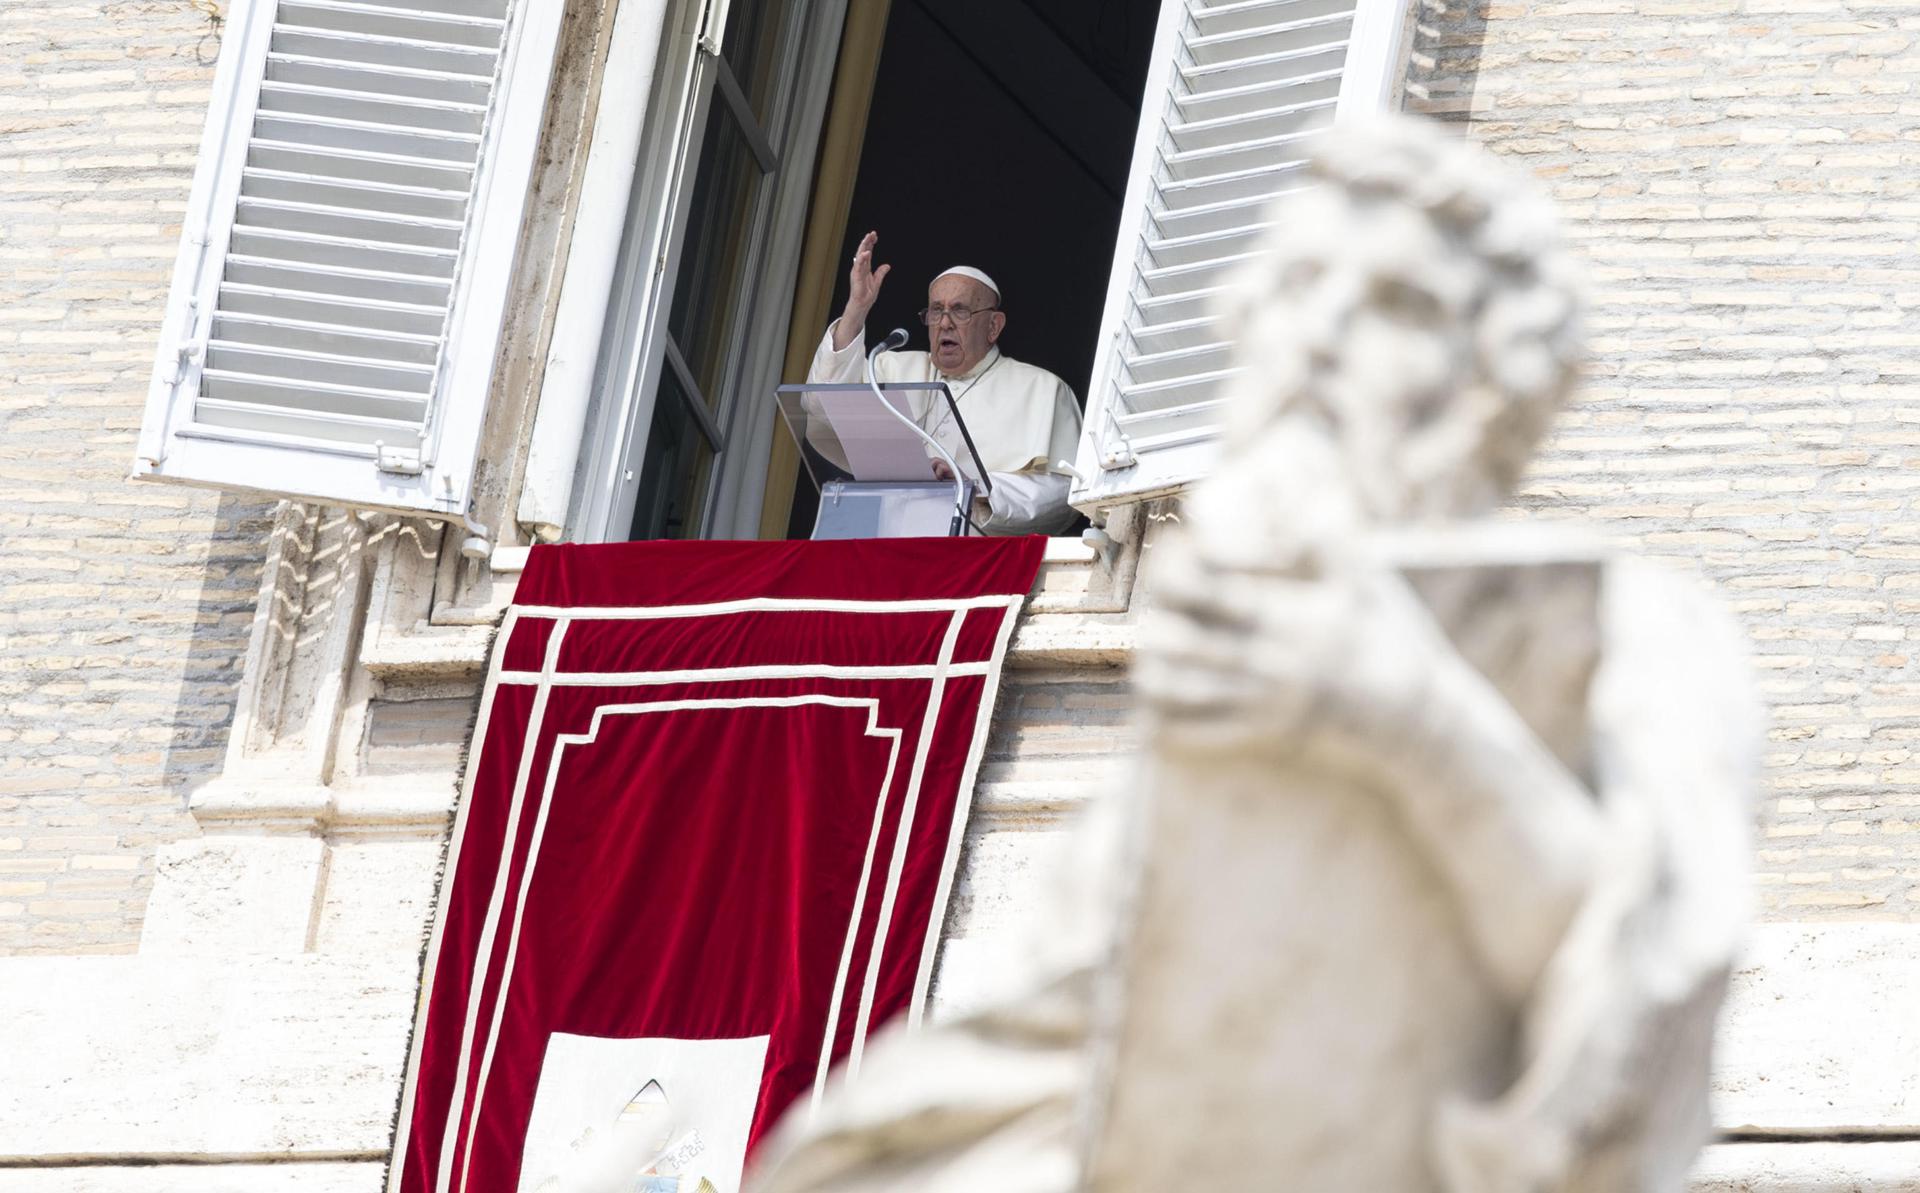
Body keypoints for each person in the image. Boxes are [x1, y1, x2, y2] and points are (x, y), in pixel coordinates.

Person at [806, 232, 1083, 535]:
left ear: (994, 326)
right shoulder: (887, 368)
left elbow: (1065, 493)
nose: (945, 322)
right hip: (885, 552)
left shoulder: (1042, 390)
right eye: (936, 310)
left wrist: (973, 487)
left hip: (976, 567)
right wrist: (856, 308)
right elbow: (822, 403)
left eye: (960, 310)